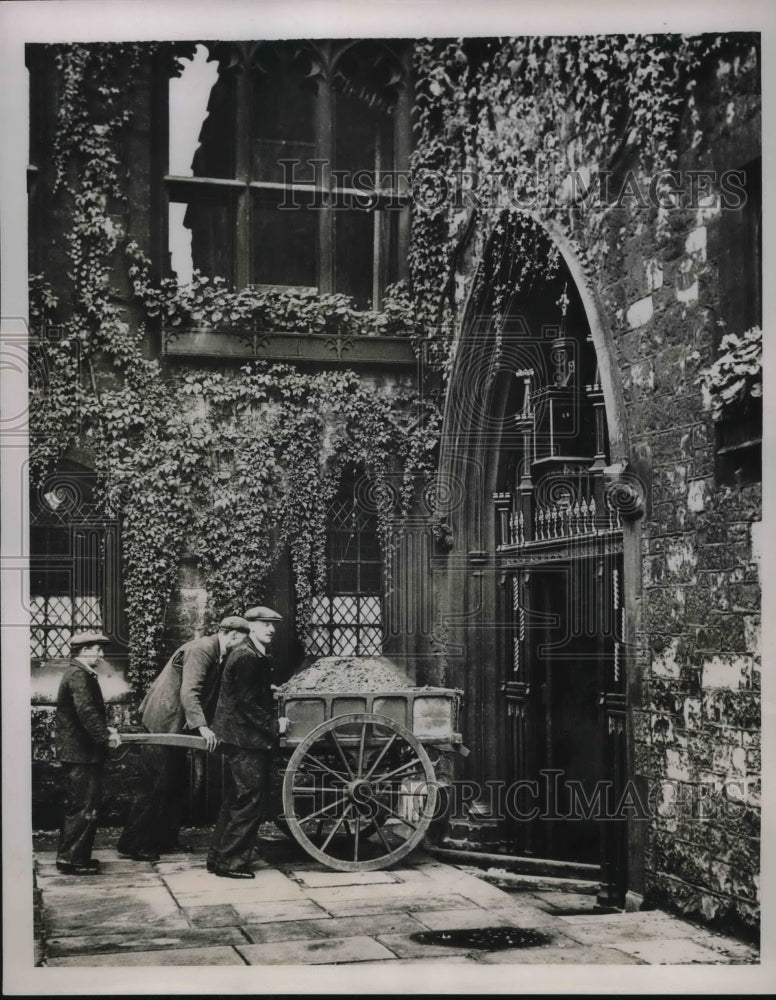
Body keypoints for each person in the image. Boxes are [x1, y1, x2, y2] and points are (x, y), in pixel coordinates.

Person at [116, 616, 250, 861]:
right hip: (164, 721)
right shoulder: (202, 650)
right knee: (156, 783)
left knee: (175, 784)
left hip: (177, 724)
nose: (243, 645)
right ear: (232, 634)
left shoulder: (216, 653)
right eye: (243, 639)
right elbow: (190, 691)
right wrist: (203, 727)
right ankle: (134, 844)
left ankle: (164, 840)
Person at [207, 606, 289, 879]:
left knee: (234, 799)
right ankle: (232, 864)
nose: (271, 629)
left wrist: (269, 690)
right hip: (245, 739)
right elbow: (245, 702)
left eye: (273, 624)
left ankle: (218, 858)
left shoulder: (247, 652)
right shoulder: (246, 655)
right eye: (265, 624)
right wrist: (273, 725)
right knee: (248, 800)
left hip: (237, 737)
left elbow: (244, 692)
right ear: (251, 626)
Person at [55, 631, 121, 875]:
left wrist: (106, 729)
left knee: (82, 805)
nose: (101, 654)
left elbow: (87, 713)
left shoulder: (79, 673)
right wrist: (105, 738)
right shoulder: (79, 675)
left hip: (80, 752)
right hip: (81, 754)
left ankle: (75, 856)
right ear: (84, 651)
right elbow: (86, 713)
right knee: (83, 807)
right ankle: (72, 860)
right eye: (97, 649)